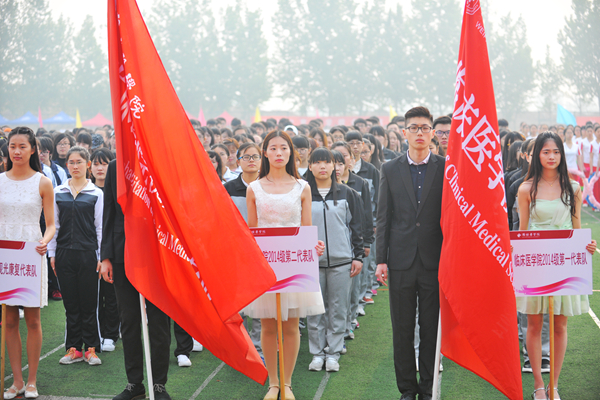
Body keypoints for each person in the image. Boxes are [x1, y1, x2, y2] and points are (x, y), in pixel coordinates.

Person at [243, 130, 325, 400]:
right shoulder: (254, 188)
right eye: (273, 148)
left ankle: (287, 383)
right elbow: (252, 232)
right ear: (265, 153)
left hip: (293, 265)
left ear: (292, 153)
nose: (279, 153)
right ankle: (273, 383)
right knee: (268, 326)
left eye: (284, 148)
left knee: (290, 325)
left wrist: (314, 246)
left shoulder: (303, 187)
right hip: (266, 265)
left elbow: (306, 228)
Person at [516, 132, 596, 400]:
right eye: (546, 152)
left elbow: (577, 228)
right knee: (534, 324)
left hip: (565, 264)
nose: (551, 157)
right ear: (537, 154)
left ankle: (554, 385)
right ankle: (539, 385)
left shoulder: (573, 187)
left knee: (560, 325)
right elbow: (522, 230)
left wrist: (587, 246)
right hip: (537, 263)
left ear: (562, 155)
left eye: (556, 152)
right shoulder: (526, 189)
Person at [375, 106, 444, 400]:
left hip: (435, 261)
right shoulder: (390, 169)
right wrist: (380, 259)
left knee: (431, 329)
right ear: (404, 133)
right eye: (413, 128)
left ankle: (427, 388)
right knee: (402, 329)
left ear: (432, 133)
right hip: (401, 260)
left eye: (424, 128)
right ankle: (406, 389)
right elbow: (383, 217)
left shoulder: (446, 168)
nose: (419, 133)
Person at [100, 160, 172, 400]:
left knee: (159, 322)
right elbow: (108, 212)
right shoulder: (115, 167)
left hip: (157, 253)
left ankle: (159, 384)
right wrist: (106, 256)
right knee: (129, 321)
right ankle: (135, 384)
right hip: (122, 253)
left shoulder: (159, 162)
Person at [1, 127, 55, 399]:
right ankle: (17, 381)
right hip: (5, 255)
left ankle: (32, 380)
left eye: (22, 146)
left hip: (30, 253)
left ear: (33, 149)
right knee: (9, 320)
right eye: (13, 146)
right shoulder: (0, 181)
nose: (17, 151)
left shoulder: (42, 182)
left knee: (32, 320)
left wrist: (45, 240)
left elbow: (51, 224)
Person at [306, 148, 364, 373]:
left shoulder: (348, 194)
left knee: (338, 309)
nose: (322, 166)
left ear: (334, 166)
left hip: (342, 262)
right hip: (311, 263)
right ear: (310, 166)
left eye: (327, 162)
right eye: (317, 162)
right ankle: (317, 353)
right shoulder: (302, 193)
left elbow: (356, 227)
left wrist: (357, 256)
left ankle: (333, 353)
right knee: (315, 311)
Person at [48, 146, 104, 367]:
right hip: (64, 255)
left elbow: (100, 228)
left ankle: (91, 349)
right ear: (67, 165)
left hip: (89, 255)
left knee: (89, 305)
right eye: (71, 162)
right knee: (71, 305)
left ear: (87, 164)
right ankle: (74, 349)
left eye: (79, 161)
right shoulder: (58, 192)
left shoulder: (96, 193)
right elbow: (54, 225)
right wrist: (53, 254)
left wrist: (101, 257)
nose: (75, 166)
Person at [224, 142, 263, 359]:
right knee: (237, 304)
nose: (251, 161)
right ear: (238, 161)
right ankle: (240, 348)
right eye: (246, 157)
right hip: (234, 254)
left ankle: (258, 349)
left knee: (259, 304)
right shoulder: (228, 189)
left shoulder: (267, 186)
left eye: (255, 156)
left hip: (262, 254)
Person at [90, 148, 120, 352]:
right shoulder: (86, 190)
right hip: (88, 251)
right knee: (93, 296)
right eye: (96, 164)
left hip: (110, 249)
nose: (100, 168)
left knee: (111, 294)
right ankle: (97, 332)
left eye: (104, 163)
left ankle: (110, 333)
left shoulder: (117, 190)